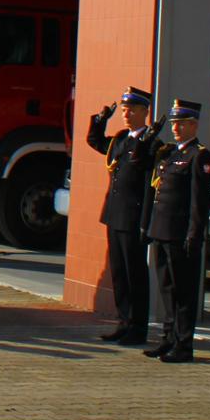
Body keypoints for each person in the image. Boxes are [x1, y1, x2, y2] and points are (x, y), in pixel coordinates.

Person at [85, 87, 160, 346]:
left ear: (144, 112)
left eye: (132, 110)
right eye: (124, 109)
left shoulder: (152, 142)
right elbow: (95, 142)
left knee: (134, 272)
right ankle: (123, 321)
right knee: (119, 272)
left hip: (133, 215)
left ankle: (138, 327)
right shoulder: (120, 139)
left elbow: (150, 181)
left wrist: (146, 221)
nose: (126, 114)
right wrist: (100, 120)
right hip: (115, 213)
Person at [144, 98, 210, 363]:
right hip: (162, 231)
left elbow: (199, 201)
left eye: (181, 123)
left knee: (184, 292)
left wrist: (194, 234)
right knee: (167, 288)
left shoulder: (199, 155)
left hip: (180, 233)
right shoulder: (171, 153)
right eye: (174, 123)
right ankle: (168, 338)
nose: (176, 128)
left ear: (194, 125)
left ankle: (184, 345)